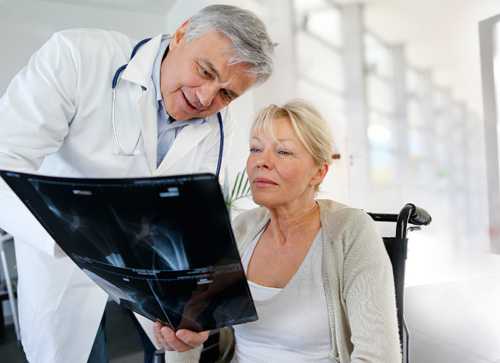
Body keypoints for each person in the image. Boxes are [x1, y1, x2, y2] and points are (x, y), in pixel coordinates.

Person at [0, 4, 274, 363]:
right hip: (64, 268)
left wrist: (199, 312)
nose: (206, 98)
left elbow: (194, 224)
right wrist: (74, 234)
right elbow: (4, 161)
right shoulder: (78, 58)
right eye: (204, 71)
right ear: (181, 34)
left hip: (151, 291)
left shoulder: (220, 132)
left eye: (227, 94)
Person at [154, 100, 401, 363]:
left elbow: (379, 357)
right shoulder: (242, 229)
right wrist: (181, 337)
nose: (262, 161)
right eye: (255, 149)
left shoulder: (351, 231)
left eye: (283, 152)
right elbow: (195, 325)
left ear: (318, 172)